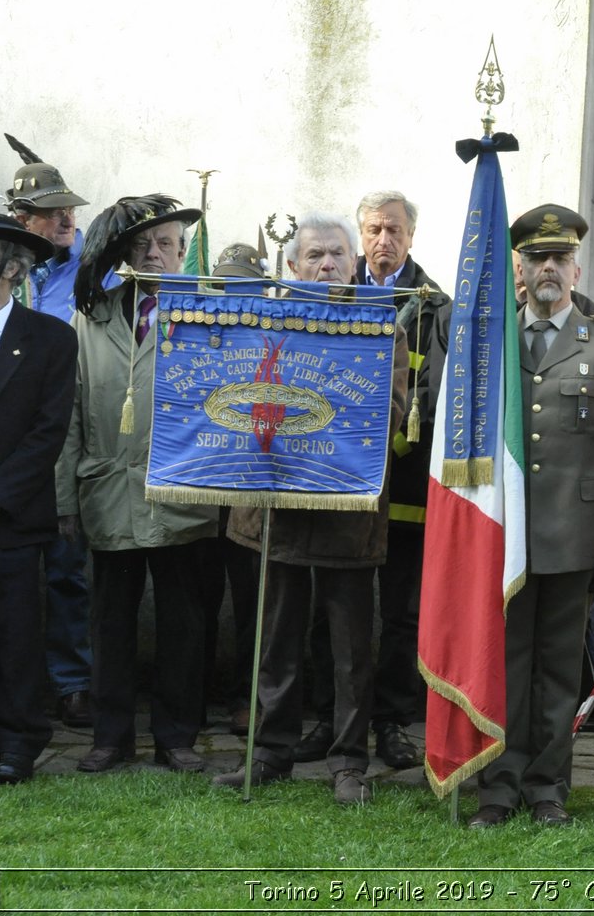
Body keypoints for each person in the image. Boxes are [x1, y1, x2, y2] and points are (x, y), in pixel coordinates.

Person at [212, 213, 407, 805]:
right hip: (275, 509)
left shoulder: (383, 330)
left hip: (348, 512)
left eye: (338, 255)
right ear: (292, 268)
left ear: (355, 266)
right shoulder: (262, 324)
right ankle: (269, 754)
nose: (327, 264)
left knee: (351, 649)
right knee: (275, 638)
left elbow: (393, 411)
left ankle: (349, 763)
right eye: (315, 255)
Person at [469, 204, 594, 828]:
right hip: (507, 533)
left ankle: (548, 788)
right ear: (519, 267)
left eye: (559, 258)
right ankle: (498, 784)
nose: (548, 268)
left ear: (576, 267)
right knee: (508, 662)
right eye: (536, 257)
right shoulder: (489, 343)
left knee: (558, 665)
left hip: (576, 533)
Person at [58, 195, 216, 774]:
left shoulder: (208, 315)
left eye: (166, 243)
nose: (154, 253)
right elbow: (71, 409)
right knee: (111, 622)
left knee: (182, 623)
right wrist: (63, 499)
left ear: (181, 253)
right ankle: (110, 737)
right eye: (143, 245)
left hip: (182, 495)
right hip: (109, 492)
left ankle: (177, 738)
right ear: (125, 252)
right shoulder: (92, 316)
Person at [353, 190, 450, 771]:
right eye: (372, 229)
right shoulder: (338, 294)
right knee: (334, 606)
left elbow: (436, 396)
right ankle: (335, 719)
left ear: (411, 236)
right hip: (339, 479)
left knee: (400, 610)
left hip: (405, 482)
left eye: (393, 230)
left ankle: (391, 722)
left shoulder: (435, 306)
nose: (383, 241)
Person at [6, 161, 94, 728]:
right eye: (50, 212)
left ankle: (72, 682)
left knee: (68, 567)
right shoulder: (11, 273)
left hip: (62, 437)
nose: (65, 218)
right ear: (21, 220)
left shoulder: (91, 271)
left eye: (69, 209)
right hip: (6, 439)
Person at [0, 215, 78, 783]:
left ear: (8, 267)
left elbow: (48, 433)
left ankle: (17, 741)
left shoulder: (51, 338)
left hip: (11, 517)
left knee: (15, 635)